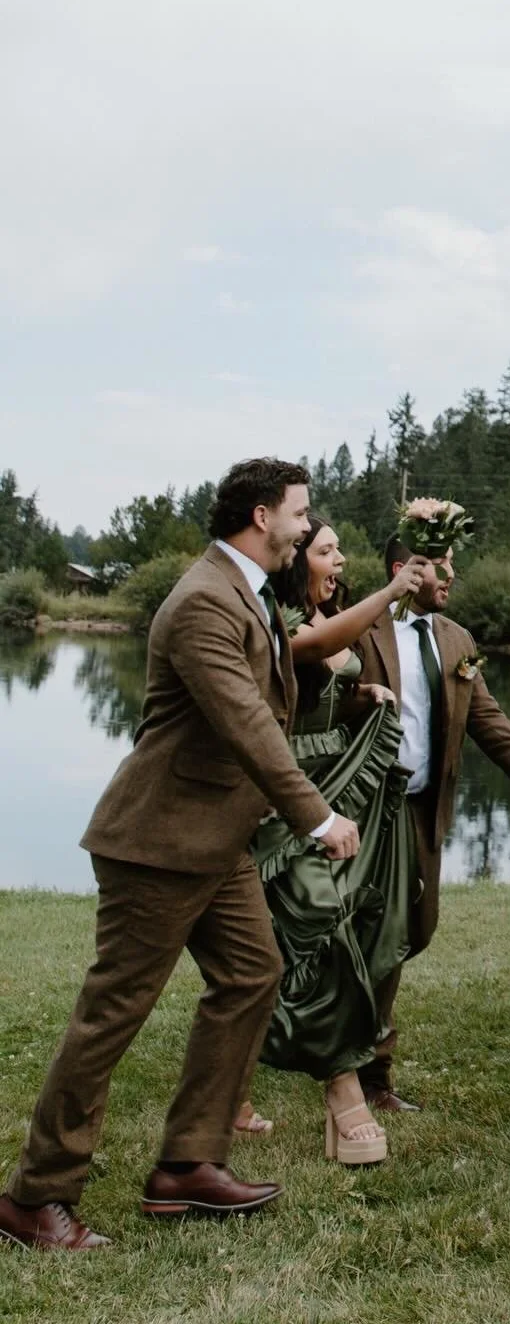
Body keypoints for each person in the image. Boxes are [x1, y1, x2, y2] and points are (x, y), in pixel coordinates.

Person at [0, 459, 361, 1251]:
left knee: (251, 974)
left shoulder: (248, 590)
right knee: (112, 1016)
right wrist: (315, 814)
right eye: (300, 514)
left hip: (215, 839)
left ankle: (189, 1164)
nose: (307, 528)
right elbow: (244, 721)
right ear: (263, 517)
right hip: (158, 842)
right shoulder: (202, 598)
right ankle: (34, 1197)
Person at [236, 517, 430, 1165]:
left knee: (295, 946)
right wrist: (394, 591)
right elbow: (314, 651)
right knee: (321, 932)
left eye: (341, 549)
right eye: (326, 550)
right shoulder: (276, 619)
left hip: (333, 787)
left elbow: (328, 676)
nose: (339, 559)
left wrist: (360, 693)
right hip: (281, 795)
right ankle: (344, 1096)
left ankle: (230, 1089)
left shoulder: (329, 614)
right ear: (296, 562)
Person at [350, 522, 510, 1110]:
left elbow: (486, 715)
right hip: (366, 809)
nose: (451, 575)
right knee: (377, 936)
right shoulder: (361, 628)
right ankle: (369, 1074)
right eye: (440, 563)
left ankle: (343, 1042)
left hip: (423, 809)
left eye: (451, 564)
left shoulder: (457, 639)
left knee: (415, 930)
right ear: (403, 571)